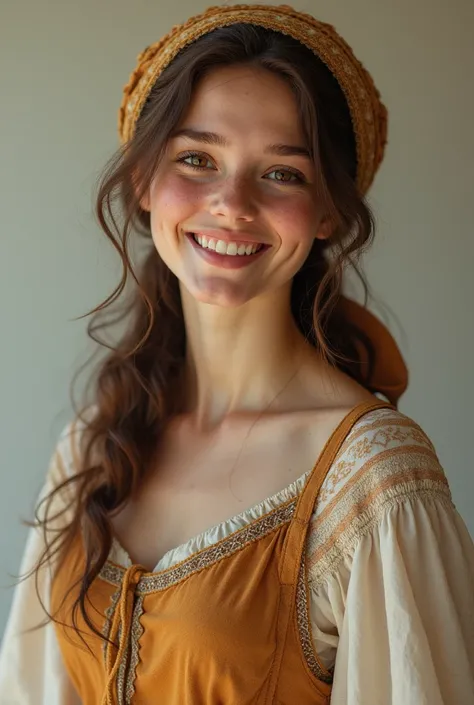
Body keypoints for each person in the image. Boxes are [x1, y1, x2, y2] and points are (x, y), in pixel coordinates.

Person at [0, 3, 473, 704]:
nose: (231, 203)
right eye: (197, 159)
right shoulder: (98, 441)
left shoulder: (372, 481)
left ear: (328, 211)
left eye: (282, 173)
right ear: (143, 180)